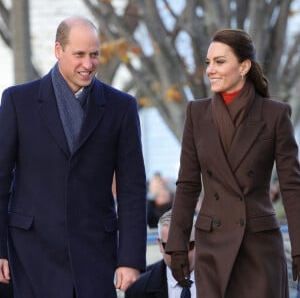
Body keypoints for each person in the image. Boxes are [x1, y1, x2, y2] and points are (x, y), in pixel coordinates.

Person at [0, 16, 147, 298]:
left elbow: (132, 188)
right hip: (31, 253)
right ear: (58, 50)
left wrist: (130, 259)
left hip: (95, 254)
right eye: (79, 54)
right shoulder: (18, 101)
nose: (88, 64)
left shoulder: (121, 107)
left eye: (95, 55)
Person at [165, 28, 300, 298]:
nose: (210, 70)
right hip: (212, 247)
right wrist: (177, 244)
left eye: (220, 62)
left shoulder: (275, 114)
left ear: (244, 66)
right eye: (208, 62)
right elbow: (189, 184)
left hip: (259, 247)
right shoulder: (196, 113)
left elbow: (292, 186)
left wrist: (298, 247)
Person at [125, 209, 196, 297]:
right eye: (171, 247)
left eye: (187, 246)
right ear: (160, 245)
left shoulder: (217, 280)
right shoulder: (138, 290)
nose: (180, 255)